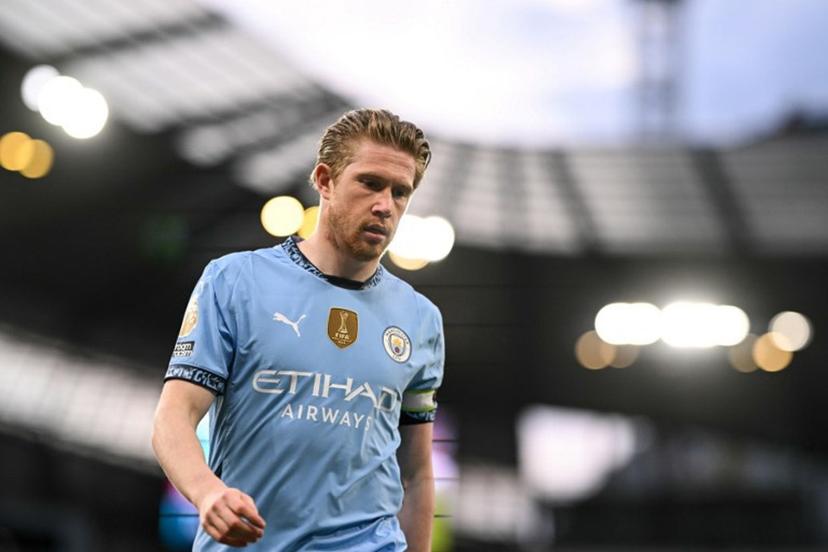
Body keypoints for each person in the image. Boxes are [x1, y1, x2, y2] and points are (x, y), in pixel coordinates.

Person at [152, 108, 444, 551]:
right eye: (370, 183)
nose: (385, 205)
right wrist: (207, 492)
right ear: (325, 180)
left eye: (400, 192)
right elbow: (173, 416)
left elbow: (416, 474)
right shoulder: (235, 281)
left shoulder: (421, 319)